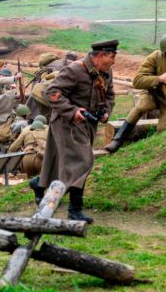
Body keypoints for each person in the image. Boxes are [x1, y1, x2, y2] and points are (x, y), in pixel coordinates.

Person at [29, 40, 117, 222]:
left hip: (88, 124)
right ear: (101, 55)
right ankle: (74, 210)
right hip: (66, 123)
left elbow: (109, 95)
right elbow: (51, 92)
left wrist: (106, 111)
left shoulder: (106, 72)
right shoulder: (75, 70)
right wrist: (72, 111)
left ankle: (39, 183)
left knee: (67, 164)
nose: (114, 61)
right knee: (83, 161)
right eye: (112, 57)